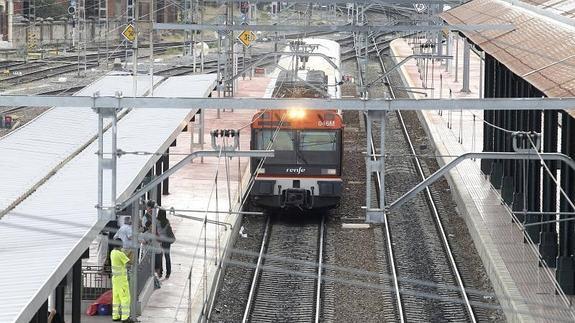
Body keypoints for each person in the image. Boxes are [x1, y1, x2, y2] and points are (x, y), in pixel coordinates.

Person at [110, 238, 131, 322]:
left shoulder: (112, 252)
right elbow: (129, 263)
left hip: (115, 279)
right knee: (125, 298)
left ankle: (115, 316)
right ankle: (125, 318)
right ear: (121, 245)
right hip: (122, 280)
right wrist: (130, 253)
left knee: (116, 298)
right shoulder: (120, 254)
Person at [156, 210, 176, 279]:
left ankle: (160, 272)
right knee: (167, 257)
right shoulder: (167, 221)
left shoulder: (156, 221)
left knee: (160, 257)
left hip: (159, 241)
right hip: (167, 241)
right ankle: (168, 273)